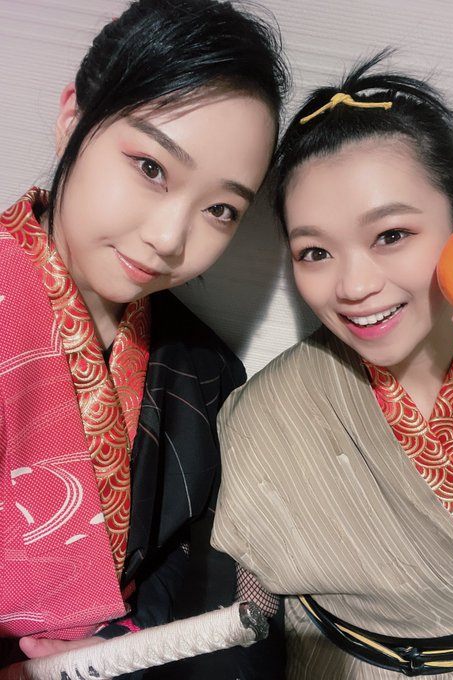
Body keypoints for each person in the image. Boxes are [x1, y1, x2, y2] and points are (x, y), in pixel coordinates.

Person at [0, 0, 289, 677]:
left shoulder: (204, 373)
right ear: (73, 118)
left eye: (220, 209)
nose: (168, 238)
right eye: (151, 167)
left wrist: (124, 648)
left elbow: (194, 572)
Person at [212, 51, 453, 679]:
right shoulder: (268, 412)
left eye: (390, 235)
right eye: (315, 251)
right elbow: (251, 607)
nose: (352, 287)